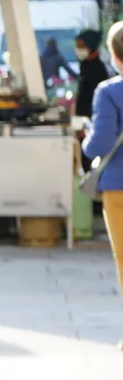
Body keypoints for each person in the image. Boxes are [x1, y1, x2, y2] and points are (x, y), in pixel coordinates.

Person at [82, 21, 123, 349]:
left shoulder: (109, 92)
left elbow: (100, 144)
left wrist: (85, 140)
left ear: (114, 54)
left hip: (119, 186)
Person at [75, 29, 112, 173]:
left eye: (81, 45)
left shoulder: (96, 68)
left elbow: (93, 101)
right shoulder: (86, 65)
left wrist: (87, 124)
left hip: (90, 123)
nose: (78, 50)